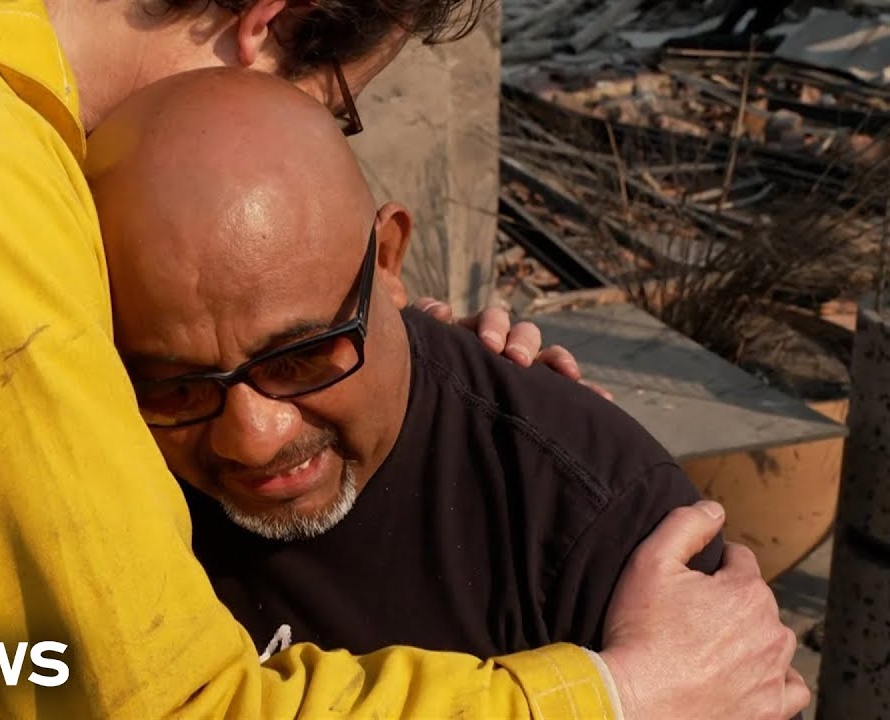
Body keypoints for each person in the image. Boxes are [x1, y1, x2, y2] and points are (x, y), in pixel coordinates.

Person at [0, 0, 801, 717]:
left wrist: (429, 395)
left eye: (302, 350)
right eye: (337, 103)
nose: (249, 424)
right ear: (267, 26)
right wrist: (612, 694)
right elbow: (161, 706)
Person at [89, 67, 811, 718]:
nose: (252, 435)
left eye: (301, 357)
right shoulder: (84, 460)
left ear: (389, 260)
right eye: (176, 387)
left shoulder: (602, 527)